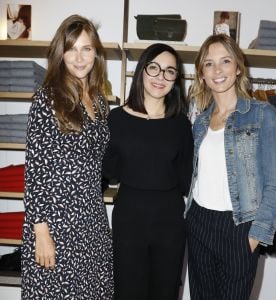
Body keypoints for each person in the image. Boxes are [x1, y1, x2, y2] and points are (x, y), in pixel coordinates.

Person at [21, 14, 114, 299]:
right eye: (71, 48)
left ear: (96, 53)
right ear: (60, 53)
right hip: (55, 224)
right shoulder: (47, 99)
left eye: (86, 48)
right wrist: (41, 233)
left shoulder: (99, 101)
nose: (78, 57)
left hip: (92, 222)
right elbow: (34, 172)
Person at [185, 34, 276, 300]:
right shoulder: (200, 123)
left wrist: (255, 236)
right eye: (209, 64)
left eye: (225, 61)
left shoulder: (264, 115)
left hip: (239, 226)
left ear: (238, 68)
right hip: (199, 223)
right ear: (202, 74)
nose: (217, 70)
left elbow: (275, 186)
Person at [104, 43, 193, 300]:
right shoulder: (117, 119)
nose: (160, 77)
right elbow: (108, 172)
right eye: (154, 68)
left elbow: (187, 179)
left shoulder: (181, 124)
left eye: (169, 71)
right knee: (127, 293)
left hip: (170, 223)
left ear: (176, 80)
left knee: (165, 293)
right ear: (142, 70)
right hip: (129, 220)